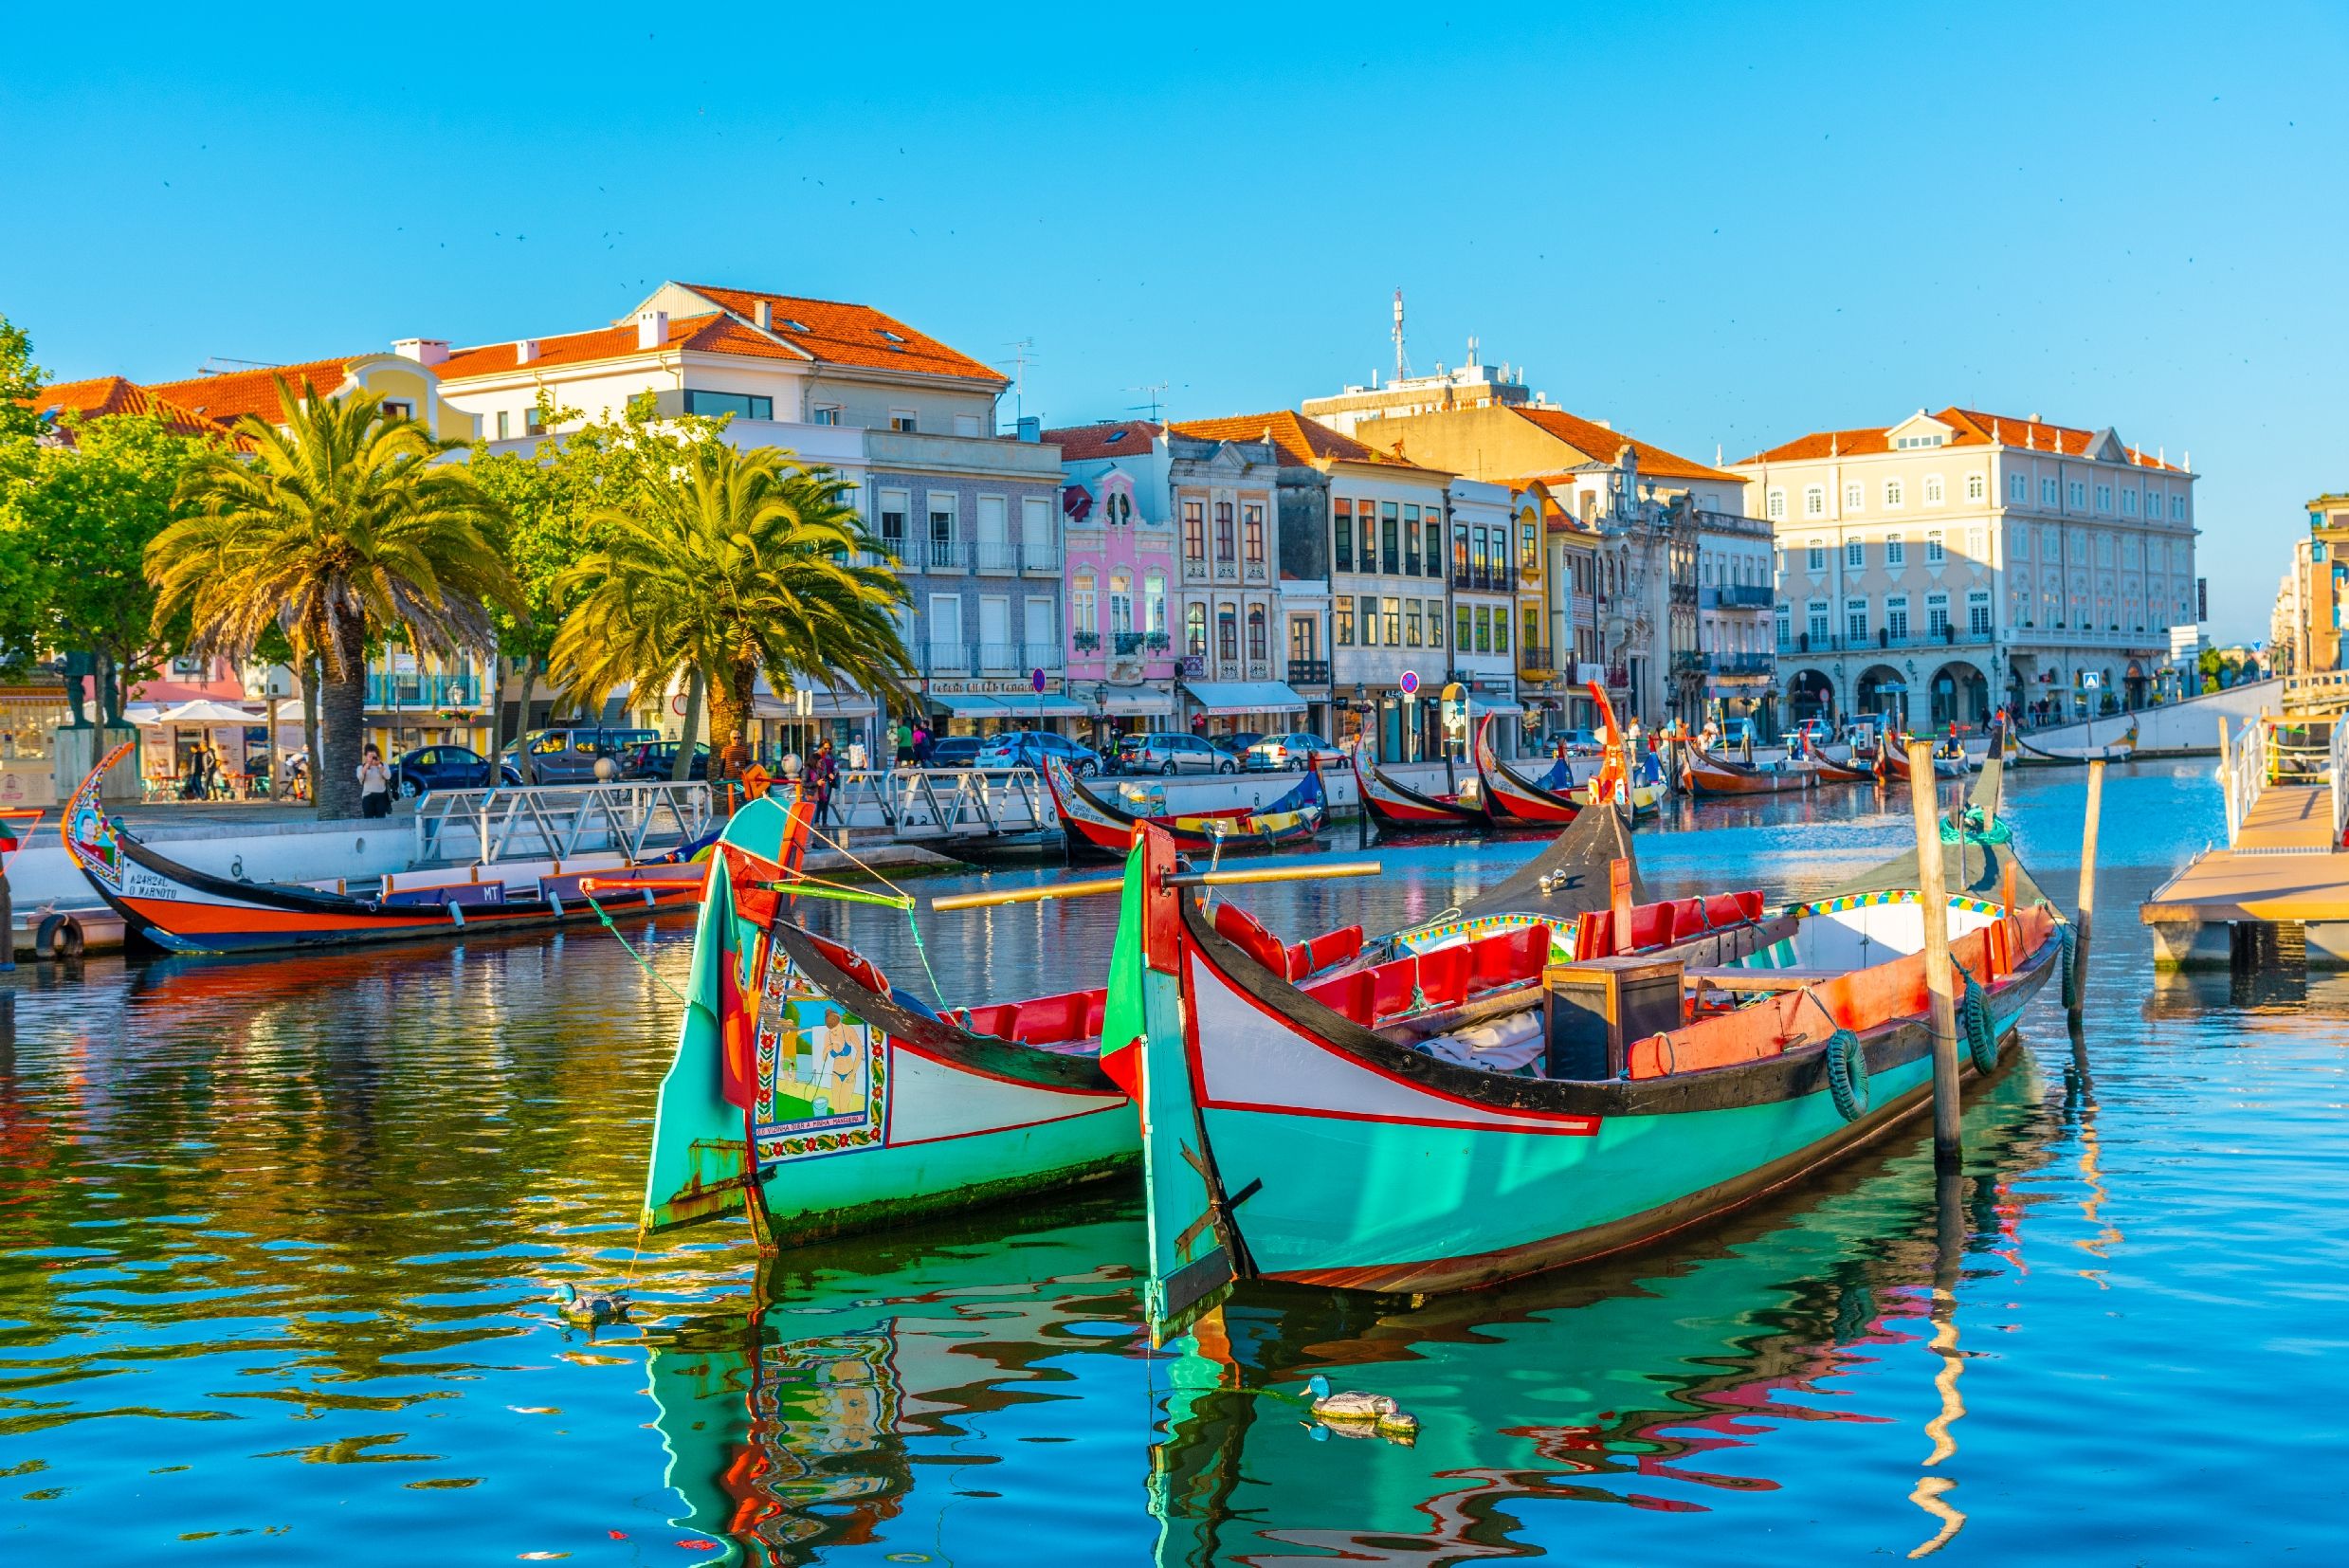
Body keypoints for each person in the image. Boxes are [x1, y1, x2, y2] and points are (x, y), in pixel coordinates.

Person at [807, 738, 839, 827]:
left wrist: (834, 772)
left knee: (826, 802)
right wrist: (828, 774)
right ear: (821, 747)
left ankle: (824, 822)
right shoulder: (817, 755)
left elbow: (836, 765)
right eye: (825, 748)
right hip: (821, 780)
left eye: (829, 748)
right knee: (820, 801)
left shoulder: (831, 755)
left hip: (829, 780)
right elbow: (815, 767)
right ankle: (816, 821)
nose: (828, 750)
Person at [357, 744, 392, 818]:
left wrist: (379, 765)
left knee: (381, 819)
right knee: (368, 819)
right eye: (370, 756)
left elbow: (388, 776)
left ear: (377, 756)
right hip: (367, 796)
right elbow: (360, 777)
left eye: (374, 757)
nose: (372, 759)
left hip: (381, 796)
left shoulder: (383, 765)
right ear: (366, 757)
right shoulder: (361, 767)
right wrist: (367, 765)